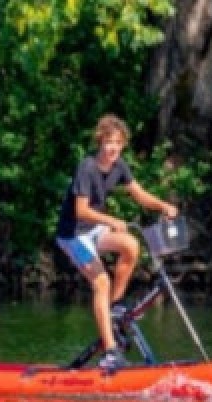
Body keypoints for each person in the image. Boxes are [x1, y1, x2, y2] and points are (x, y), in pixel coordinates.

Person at [56, 115, 178, 371]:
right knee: (101, 281)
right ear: (100, 141)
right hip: (73, 235)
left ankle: (115, 307)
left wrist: (164, 206)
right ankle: (111, 351)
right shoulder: (87, 167)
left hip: (93, 230)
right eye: (109, 142)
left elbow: (141, 195)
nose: (113, 148)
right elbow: (80, 211)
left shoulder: (119, 166)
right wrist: (111, 219)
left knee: (131, 245)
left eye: (118, 143)